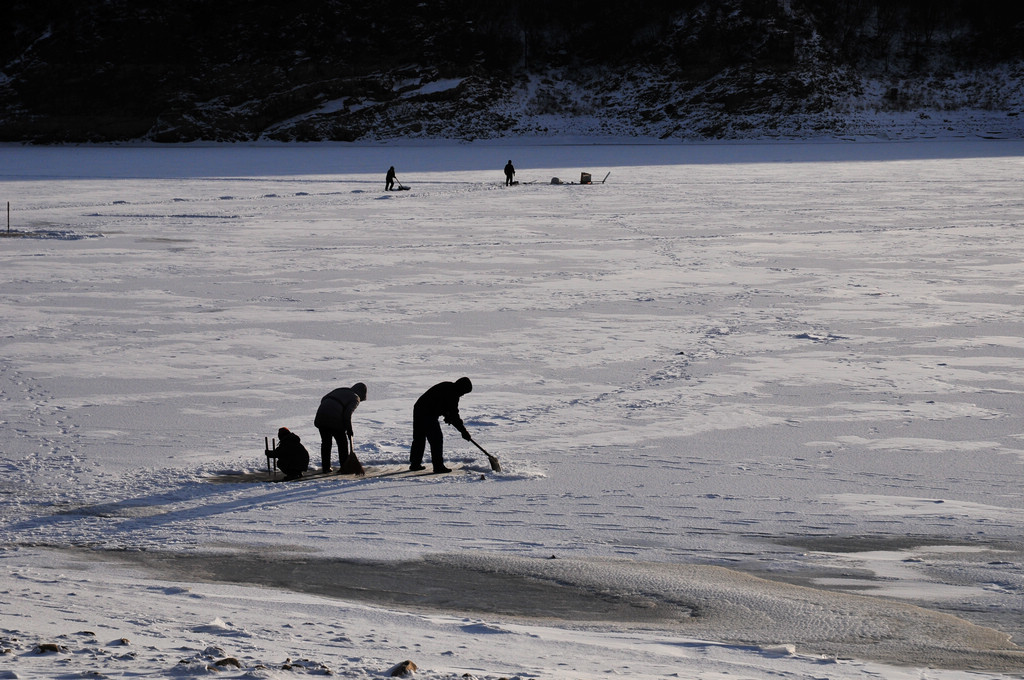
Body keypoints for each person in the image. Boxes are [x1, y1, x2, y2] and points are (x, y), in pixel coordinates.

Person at [410, 377, 473, 473]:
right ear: (461, 388)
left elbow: (442, 405)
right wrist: (463, 432)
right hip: (427, 413)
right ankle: (438, 466)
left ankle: (415, 464)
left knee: (419, 438)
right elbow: (454, 414)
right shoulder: (452, 394)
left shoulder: (448, 387)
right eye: (464, 392)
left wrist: (447, 414)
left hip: (419, 408)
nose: (463, 394)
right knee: (436, 439)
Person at [314, 382, 367, 473]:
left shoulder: (340, 390)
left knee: (326, 443)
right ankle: (344, 466)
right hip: (334, 419)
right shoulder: (355, 397)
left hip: (320, 417)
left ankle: (326, 468)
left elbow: (324, 399)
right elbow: (347, 414)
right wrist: (349, 429)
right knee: (342, 443)